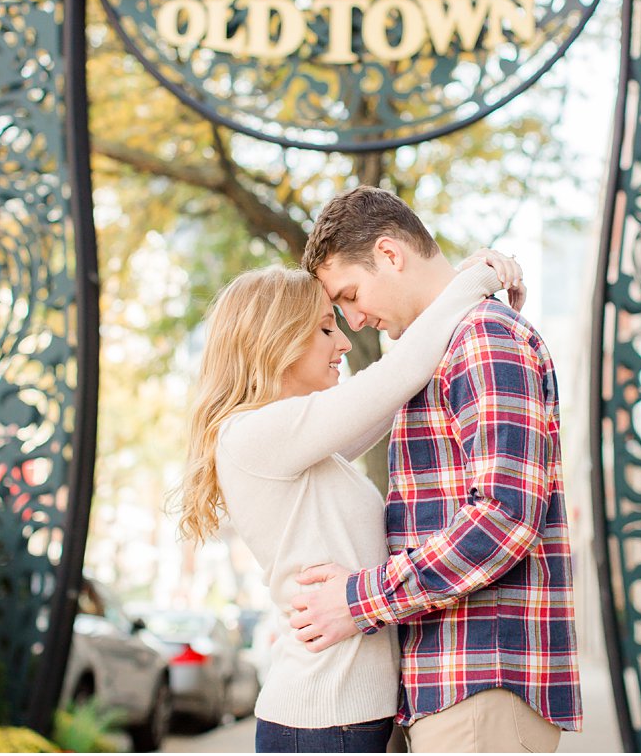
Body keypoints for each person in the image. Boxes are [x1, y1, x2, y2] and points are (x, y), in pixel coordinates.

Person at [175, 249, 521, 753]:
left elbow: (393, 396)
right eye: (324, 329)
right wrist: (473, 282)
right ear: (276, 341)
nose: (343, 341)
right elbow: (392, 380)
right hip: (323, 720)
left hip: (351, 716)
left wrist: (444, 288)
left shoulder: (301, 446)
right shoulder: (254, 435)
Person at [287, 186, 581, 753]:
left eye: (350, 294)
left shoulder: (485, 339)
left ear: (390, 254)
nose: (353, 320)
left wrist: (358, 600)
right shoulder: (441, 348)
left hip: (483, 681)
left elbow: (503, 517)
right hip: (454, 683)